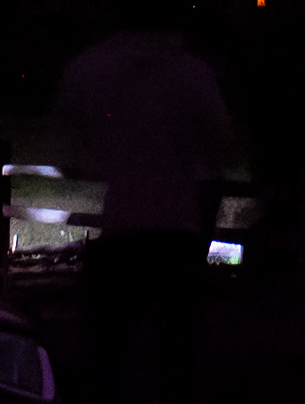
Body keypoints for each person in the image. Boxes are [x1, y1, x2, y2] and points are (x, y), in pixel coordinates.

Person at [53, 22, 237, 394]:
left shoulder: (94, 68)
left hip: (121, 230)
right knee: (176, 359)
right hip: (177, 232)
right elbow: (220, 145)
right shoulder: (191, 73)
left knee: (108, 360)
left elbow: (70, 144)